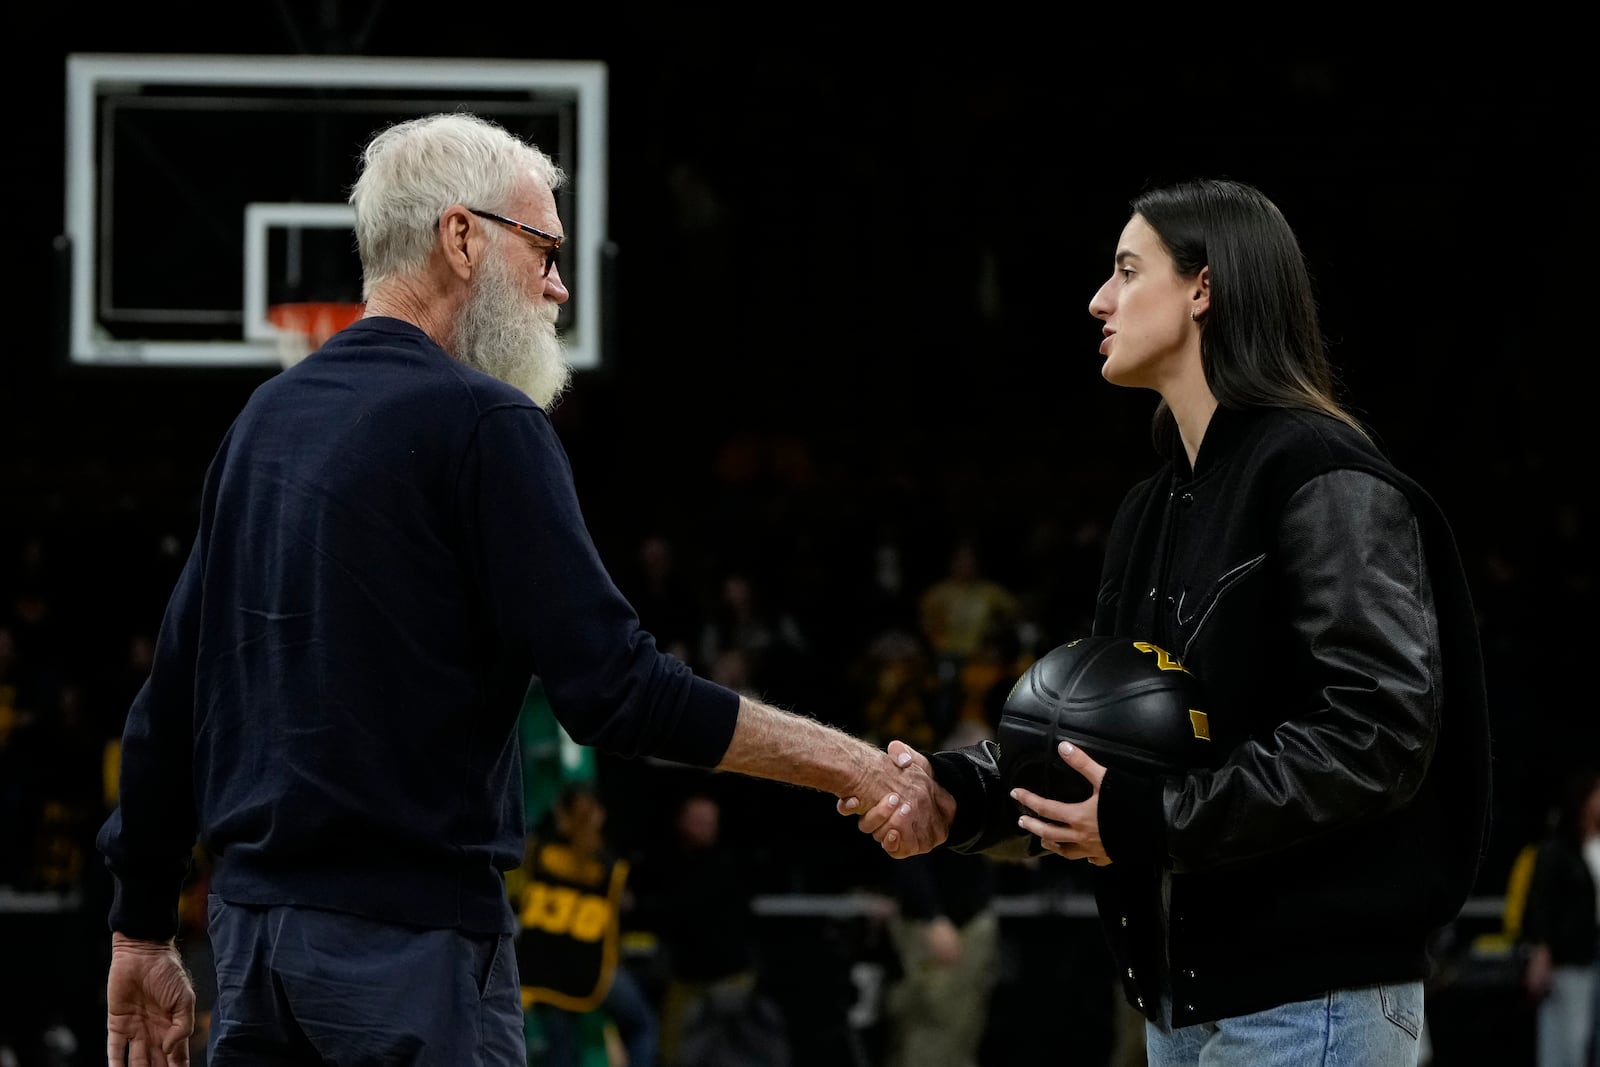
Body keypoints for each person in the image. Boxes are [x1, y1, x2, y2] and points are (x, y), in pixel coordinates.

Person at [95, 110, 947, 1067]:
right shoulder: (484, 420)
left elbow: (171, 696)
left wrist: (139, 927)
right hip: (408, 953)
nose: (559, 284)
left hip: (254, 952)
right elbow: (616, 689)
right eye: (542, 248)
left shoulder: (266, 421)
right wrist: (860, 769)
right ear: (460, 238)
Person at [850, 177, 1493, 1066]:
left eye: (1125, 269)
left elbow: (1376, 731)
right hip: (1180, 1002)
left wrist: (1149, 819)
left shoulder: (1322, 475)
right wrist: (960, 793)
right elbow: (1105, 745)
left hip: (1309, 1000)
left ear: (1203, 287)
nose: (1097, 299)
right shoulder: (1152, 508)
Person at [516, 782, 656, 1067]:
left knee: (561, 1052)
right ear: (599, 815)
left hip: (545, 970)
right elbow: (626, 904)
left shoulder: (538, 851)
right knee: (643, 1025)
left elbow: (517, 891)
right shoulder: (608, 865)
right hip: (590, 970)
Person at [1521, 767, 1600, 1067]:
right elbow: (1540, 902)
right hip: (1569, 959)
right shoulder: (1559, 848)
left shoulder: (1593, 846)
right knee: (1568, 1040)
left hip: (1593, 953)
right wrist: (1541, 950)